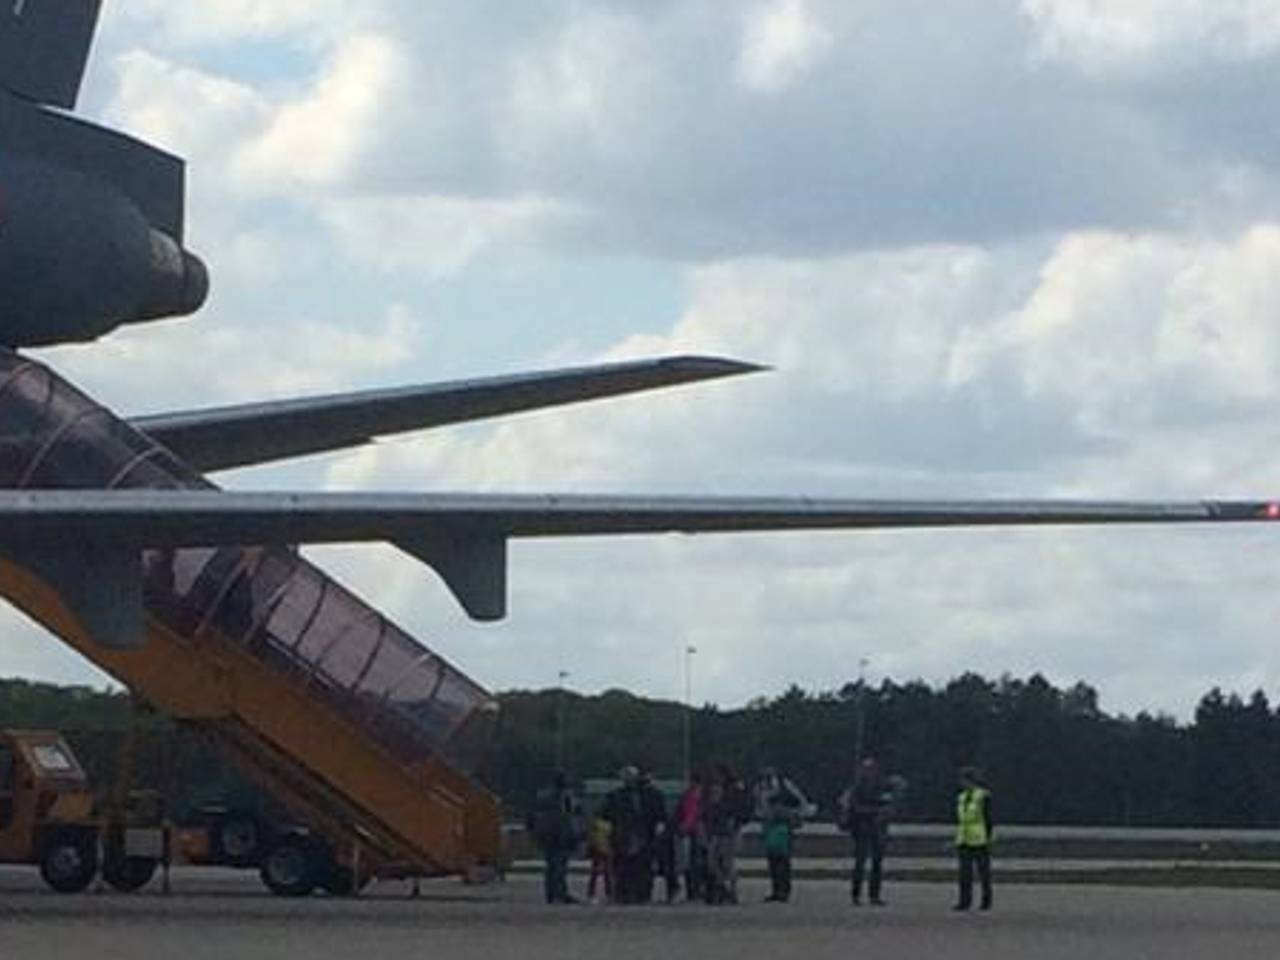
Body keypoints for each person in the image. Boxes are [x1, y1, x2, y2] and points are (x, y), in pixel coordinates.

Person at [604, 766, 665, 903]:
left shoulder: (620, 796)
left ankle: (637, 893)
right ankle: (628, 893)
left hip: (638, 834)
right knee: (627, 865)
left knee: (638, 865)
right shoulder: (618, 796)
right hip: (627, 834)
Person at [838, 756, 890, 906]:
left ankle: (874, 895)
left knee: (876, 863)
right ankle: (856, 894)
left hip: (876, 828)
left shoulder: (880, 786)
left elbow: (888, 805)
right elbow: (855, 807)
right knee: (860, 862)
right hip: (862, 828)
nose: (870, 772)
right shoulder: (857, 787)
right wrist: (874, 811)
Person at [528, 771, 582, 904]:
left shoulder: (542, 796)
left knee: (552, 866)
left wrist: (533, 832)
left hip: (548, 834)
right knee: (559, 866)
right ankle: (559, 893)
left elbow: (532, 816)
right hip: (560, 835)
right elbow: (571, 817)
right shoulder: (565, 797)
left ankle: (553, 893)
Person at [702, 764, 748, 904]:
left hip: (727, 832)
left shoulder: (732, 792)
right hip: (719, 831)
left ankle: (729, 889)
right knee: (715, 863)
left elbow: (736, 811)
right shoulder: (723, 791)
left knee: (725, 863)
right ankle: (724, 887)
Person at [953, 766, 994, 911]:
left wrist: (989, 837)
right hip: (964, 839)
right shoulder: (961, 797)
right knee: (964, 873)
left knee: (984, 873)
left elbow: (989, 818)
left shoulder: (983, 796)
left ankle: (986, 900)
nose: (961, 783)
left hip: (980, 839)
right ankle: (964, 901)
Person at [674, 774, 705, 901]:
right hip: (695, 832)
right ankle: (694, 891)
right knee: (693, 863)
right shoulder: (694, 796)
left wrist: (684, 828)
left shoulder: (692, 796)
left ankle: (694, 891)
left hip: (693, 832)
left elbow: (691, 814)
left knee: (692, 863)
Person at [585, 806, 614, 904]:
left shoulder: (595, 824)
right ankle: (609, 894)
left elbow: (591, 838)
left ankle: (591, 894)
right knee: (608, 874)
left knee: (594, 874)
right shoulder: (609, 825)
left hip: (597, 850)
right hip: (607, 850)